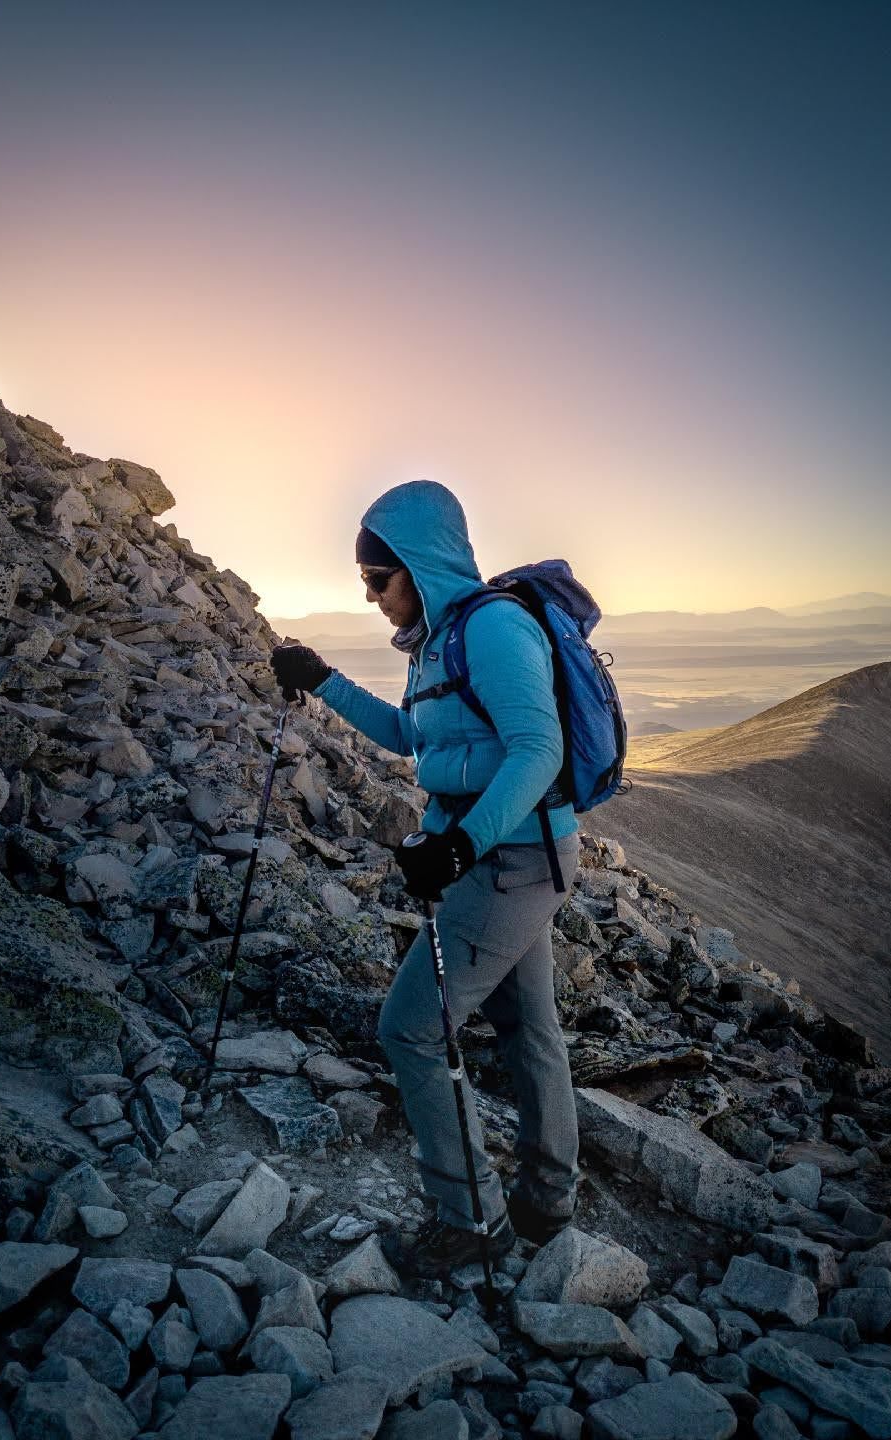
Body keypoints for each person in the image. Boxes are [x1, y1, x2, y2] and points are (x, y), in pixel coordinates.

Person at [272, 479, 582, 1274]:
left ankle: (470, 1219)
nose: (371, 595)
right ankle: (547, 1200)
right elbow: (413, 735)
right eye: (363, 582)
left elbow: (537, 750)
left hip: (511, 859)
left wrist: (461, 847)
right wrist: (322, 681)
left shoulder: (495, 629)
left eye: (380, 579)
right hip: (513, 856)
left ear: (420, 567)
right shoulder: (440, 643)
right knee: (527, 1027)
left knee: (410, 1027)